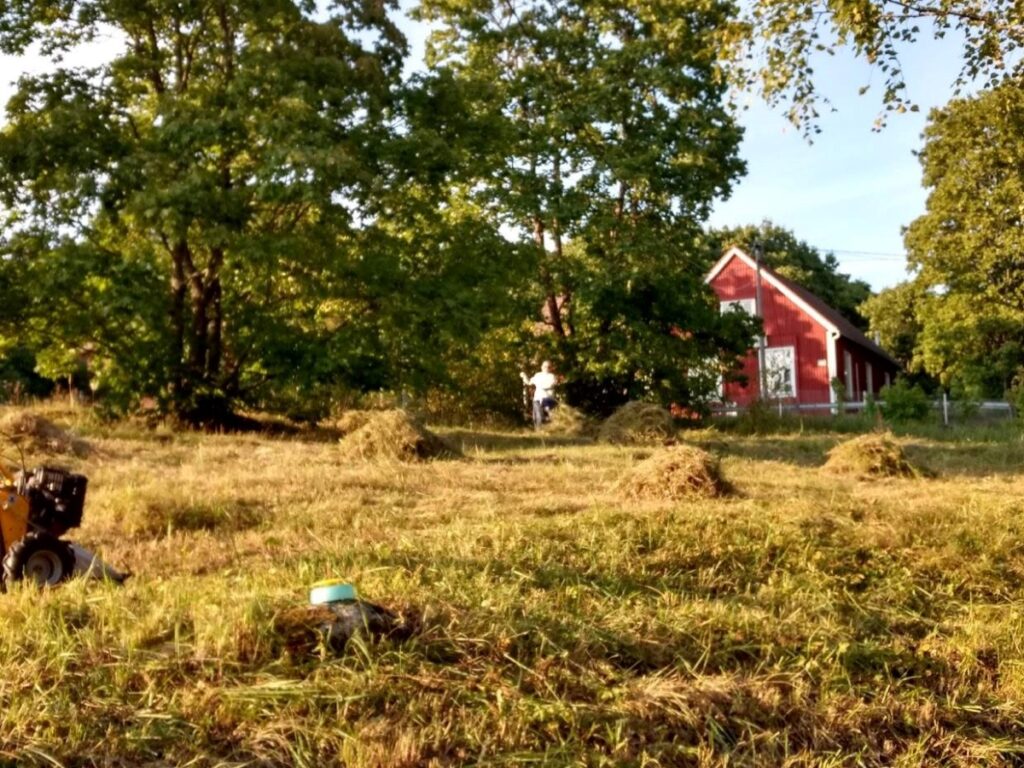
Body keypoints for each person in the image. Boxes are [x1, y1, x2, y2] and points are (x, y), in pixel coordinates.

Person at [520, 361, 559, 428]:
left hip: (548, 400)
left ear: (551, 368)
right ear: (541, 367)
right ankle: (539, 433)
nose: (546, 368)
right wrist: (524, 376)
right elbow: (529, 382)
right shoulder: (538, 375)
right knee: (539, 417)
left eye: (548, 367)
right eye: (545, 366)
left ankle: (550, 432)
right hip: (537, 399)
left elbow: (549, 385)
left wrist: (540, 385)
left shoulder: (552, 376)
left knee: (550, 417)